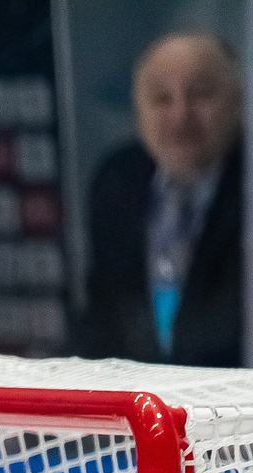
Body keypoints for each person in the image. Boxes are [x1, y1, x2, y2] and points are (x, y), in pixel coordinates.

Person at [75, 31, 245, 366]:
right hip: (135, 399)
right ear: (137, 110)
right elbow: (102, 315)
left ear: (237, 101)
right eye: (161, 98)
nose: (180, 116)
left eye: (200, 94)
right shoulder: (117, 180)